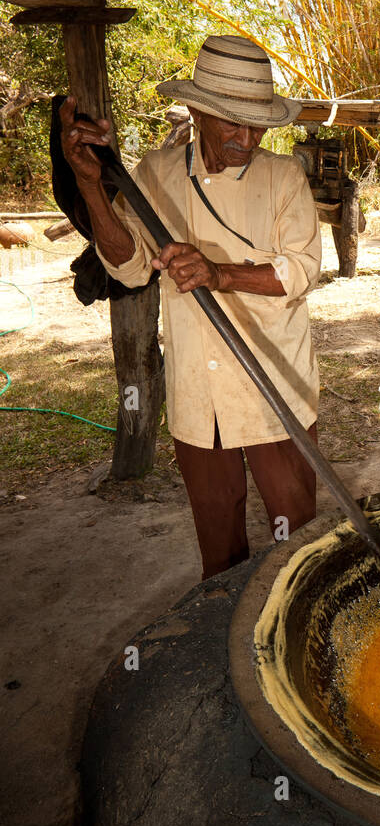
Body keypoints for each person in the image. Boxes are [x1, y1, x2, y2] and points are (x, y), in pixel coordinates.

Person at [60, 34, 322, 579]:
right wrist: (91, 187)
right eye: (232, 122)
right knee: (219, 538)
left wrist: (219, 273)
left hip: (273, 385)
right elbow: (128, 264)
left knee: (296, 535)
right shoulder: (154, 172)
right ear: (198, 110)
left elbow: (300, 271)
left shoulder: (283, 178)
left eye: (257, 123)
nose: (247, 137)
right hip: (197, 394)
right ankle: (224, 639)